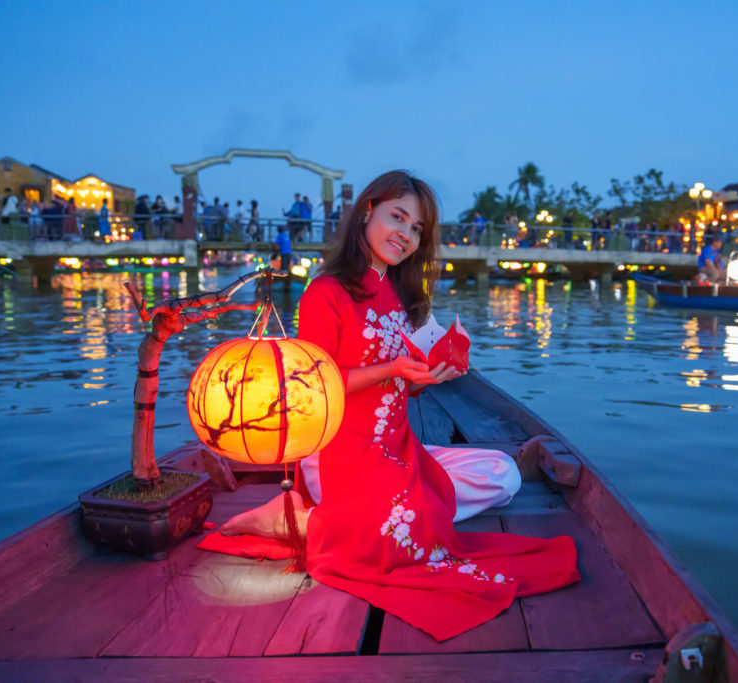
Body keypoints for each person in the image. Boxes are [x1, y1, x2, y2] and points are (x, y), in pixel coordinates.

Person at [218, 170, 579, 641]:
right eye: (398, 217)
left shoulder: (397, 297)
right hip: (339, 455)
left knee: (502, 474)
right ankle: (317, 518)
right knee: (422, 517)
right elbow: (315, 388)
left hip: (395, 450)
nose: (405, 236)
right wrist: (392, 369)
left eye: (416, 230)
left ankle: (336, 520)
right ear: (367, 211)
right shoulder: (327, 292)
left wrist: (426, 377)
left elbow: (398, 389)